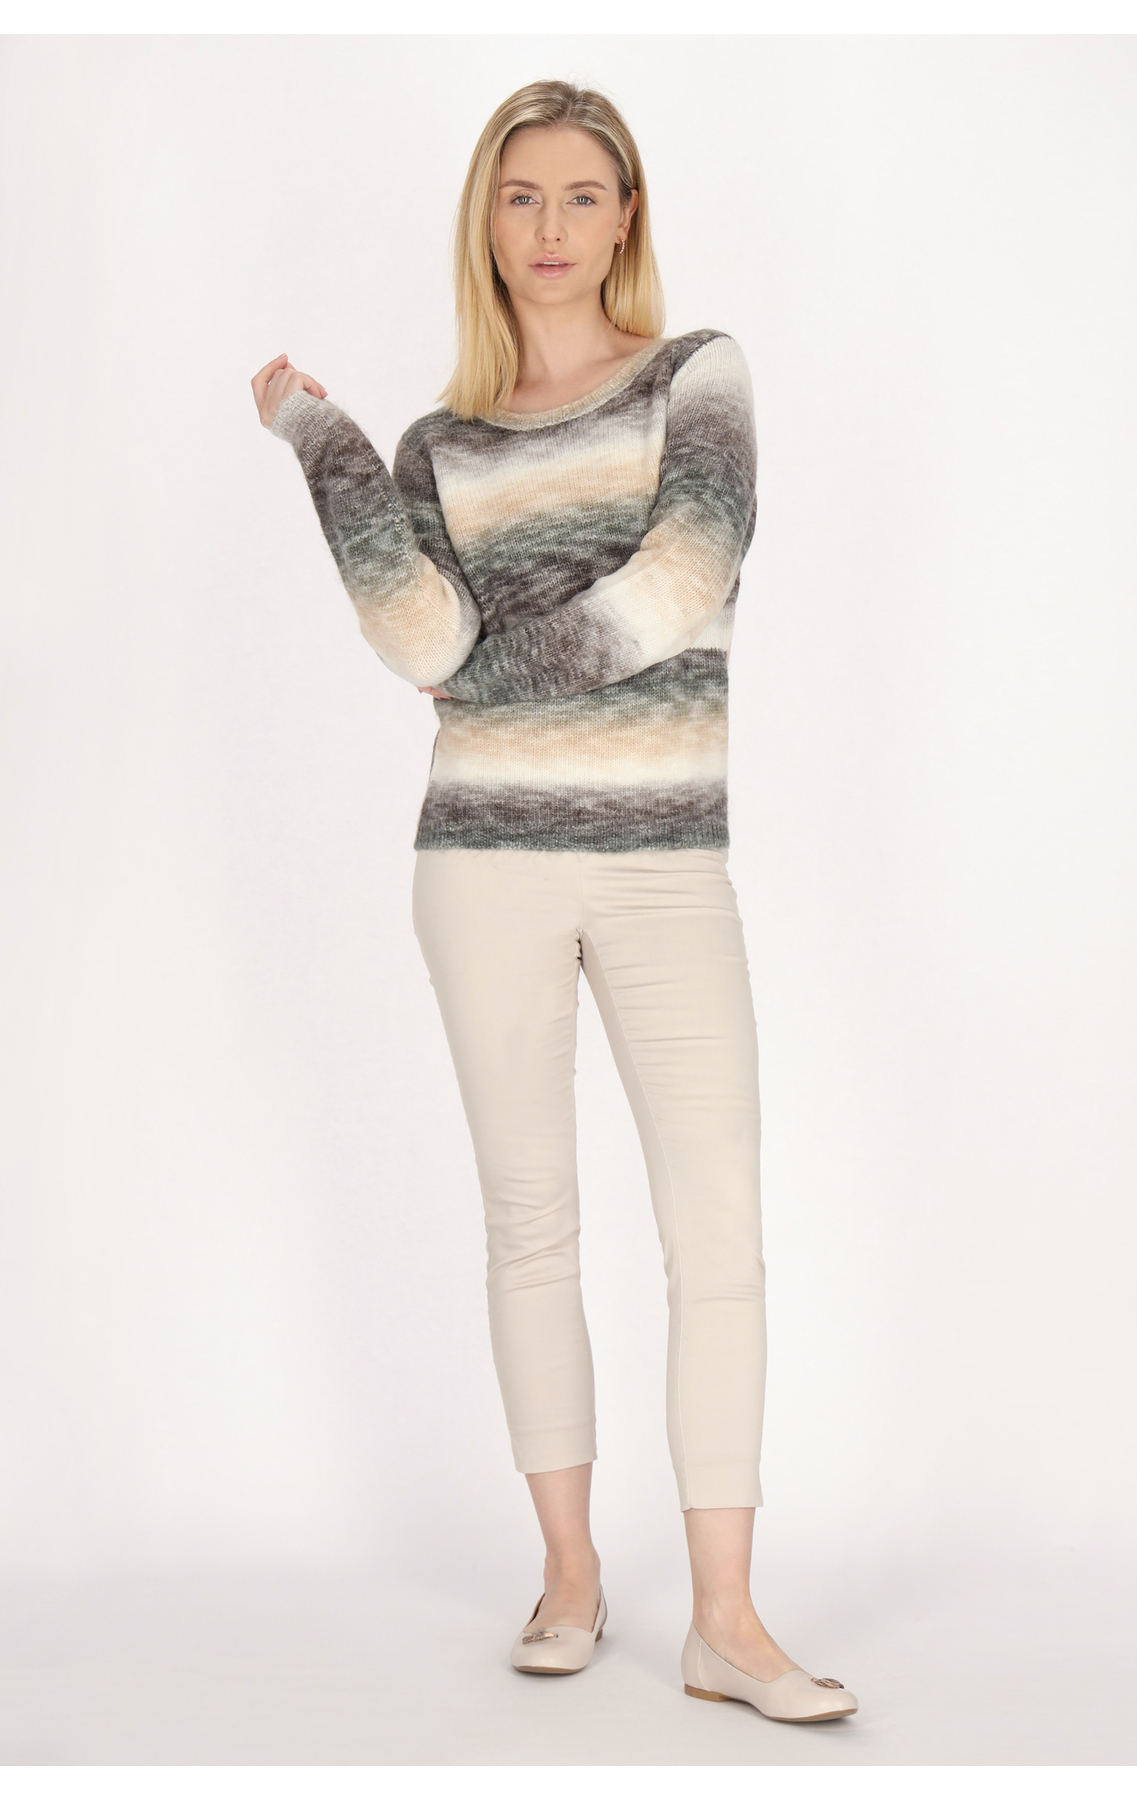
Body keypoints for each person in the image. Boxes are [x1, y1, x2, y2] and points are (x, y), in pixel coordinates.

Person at [251, 78, 856, 1725]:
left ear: (627, 216)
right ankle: (571, 1577)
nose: (551, 228)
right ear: (486, 219)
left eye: (584, 195)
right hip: (482, 865)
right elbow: (409, 636)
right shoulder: (435, 449)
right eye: (522, 196)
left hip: (667, 862)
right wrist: (320, 440)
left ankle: (726, 1622)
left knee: (716, 1228)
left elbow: (685, 580)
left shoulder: (696, 377)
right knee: (531, 1220)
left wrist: (485, 675)